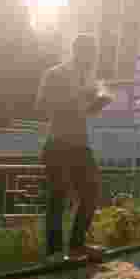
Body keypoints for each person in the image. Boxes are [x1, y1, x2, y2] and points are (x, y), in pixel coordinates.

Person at [35, 34, 111, 263]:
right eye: (89, 52)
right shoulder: (55, 73)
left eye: (94, 53)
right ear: (77, 50)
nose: (92, 58)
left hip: (80, 143)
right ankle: (54, 253)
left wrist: (97, 103)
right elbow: (41, 105)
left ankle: (77, 245)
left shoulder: (89, 78)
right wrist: (73, 98)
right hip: (58, 141)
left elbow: (85, 110)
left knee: (91, 192)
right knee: (58, 196)